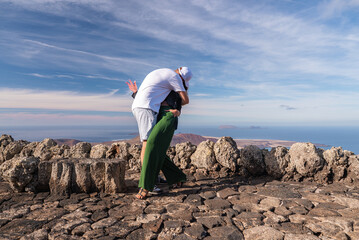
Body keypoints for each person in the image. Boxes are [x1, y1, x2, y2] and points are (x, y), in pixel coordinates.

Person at [126, 67, 192, 199]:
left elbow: (182, 102)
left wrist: (177, 111)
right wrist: (136, 93)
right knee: (156, 148)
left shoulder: (174, 86)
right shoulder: (167, 83)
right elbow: (149, 95)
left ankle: (146, 185)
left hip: (167, 116)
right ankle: (177, 176)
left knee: (151, 145)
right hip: (158, 114)